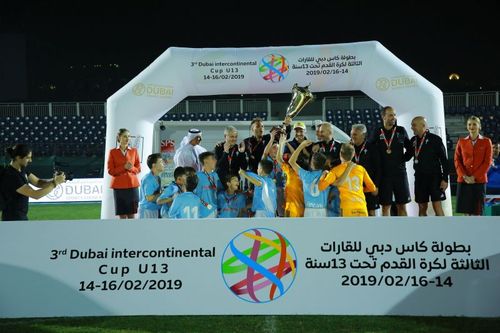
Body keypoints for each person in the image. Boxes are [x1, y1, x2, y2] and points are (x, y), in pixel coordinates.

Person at [1, 144, 66, 221]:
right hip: (13, 219)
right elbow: (36, 194)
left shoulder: (21, 170)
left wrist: (55, 179)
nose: (30, 160)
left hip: (19, 217)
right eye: (28, 158)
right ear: (18, 158)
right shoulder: (12, 176)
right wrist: (55, 183)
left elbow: (38, 182)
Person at [369, 106, 412, 216]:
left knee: (402, 205)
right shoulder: (377, 132)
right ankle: (386, 231)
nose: (394, 117)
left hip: (400, 174)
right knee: (386, 206)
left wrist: (403, 159)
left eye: (394, 114)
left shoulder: (400, 130)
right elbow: (369, 148)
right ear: (383, 116)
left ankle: (404, 231)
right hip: (384, 175)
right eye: (390, 115)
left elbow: (410, 148)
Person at [319, 143, 378, 217]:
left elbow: (321, 187)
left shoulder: (335, 170)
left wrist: (323, 175)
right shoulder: (361, 169)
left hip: (346, 207)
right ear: (353, 155)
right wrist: (361, 189)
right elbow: (372, 188)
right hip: (361, 207)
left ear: (340, 153)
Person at [410, 116, 449, 216]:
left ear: (422, 125)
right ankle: (423, 230)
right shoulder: (413, 141)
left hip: (434, 178)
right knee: (422, 206)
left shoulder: (435, 139)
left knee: (437, 205)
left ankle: (442, 229)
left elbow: (444, 161)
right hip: (419, 178)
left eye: (414, 125)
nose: (412, 127)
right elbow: (406, 156)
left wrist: (445, 179)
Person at [454, 116, 492, 215]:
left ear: (479, 126)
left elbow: (487, 162)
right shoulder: (461, 141)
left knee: (478, 212)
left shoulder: (486, 141)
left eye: (474, 124)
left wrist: (474, 177)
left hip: (479, 181)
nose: (472, 126)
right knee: (465, 212)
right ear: (467, 127)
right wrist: (464, 176)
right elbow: (457, 160)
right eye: (469, 124)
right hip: (464, 181)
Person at [289, 140, 329, 217]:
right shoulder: (327, 174)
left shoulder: (305, 175)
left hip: (309, 210)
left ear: (311, 164)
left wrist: (301, 146)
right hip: (322, 210)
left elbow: (291, 161)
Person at [107, 128, 141, 219]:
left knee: (132, 214)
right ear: (119, 137)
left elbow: (138, 169)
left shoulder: (134, 151)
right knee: (122, 215)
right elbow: (110, 171)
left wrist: (131, 168)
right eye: (125, 136)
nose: (127, 138)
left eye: (129, 136)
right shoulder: (112, 152)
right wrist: (123, 167)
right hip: (119, 187)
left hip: (132, 186)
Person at [350, 124, 381, 216]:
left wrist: (376, 186)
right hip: (354, 188)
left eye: (355, 134)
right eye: (351, 134)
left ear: (363, 135)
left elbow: (378, 168)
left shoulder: (372, 148)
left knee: (371, 212)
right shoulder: (349, 148)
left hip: (368, 187)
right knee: (356, 212)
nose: (352, 136)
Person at [277, 134, 305, 217]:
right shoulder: (289, 170)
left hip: (300, 208)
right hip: (289, 207)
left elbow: (279, 159)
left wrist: (282, 143)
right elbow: (278, 159)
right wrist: (281, 143)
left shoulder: (303, 173)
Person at [194, 151, 223, 218]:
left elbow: (219, 191)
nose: (215, 160)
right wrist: (206, 205)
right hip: (203, 212)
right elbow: (194, 196)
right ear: (206, 161)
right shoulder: (197, 176)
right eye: (213, 158)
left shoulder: (215, 175)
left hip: (215, 211)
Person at [138, 153, 164, 218]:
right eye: (160, 162)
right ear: (154, 165)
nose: (163, 164)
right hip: (147, 211)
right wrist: (163, 193)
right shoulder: (148, 179)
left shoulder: (157, 177)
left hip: (154, 209)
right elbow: (149, 198)